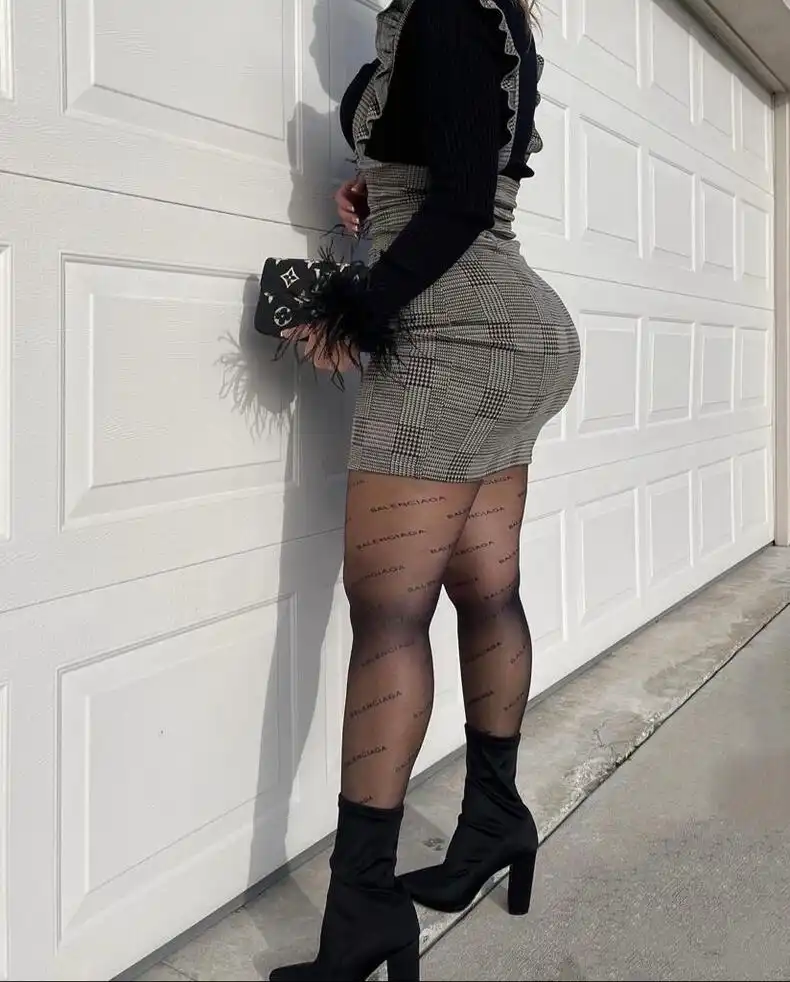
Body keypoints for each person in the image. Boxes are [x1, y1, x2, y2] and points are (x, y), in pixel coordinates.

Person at [270, 1, 579, 979]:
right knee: (487, 590)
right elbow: (459, 173)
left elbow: (457, 206)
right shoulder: (488, 13)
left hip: (456, 338)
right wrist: (379, 191)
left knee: (388, 619)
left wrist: (355, 307)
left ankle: (365, 907)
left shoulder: (446, 7)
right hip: (511, 327)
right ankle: (495, 821)